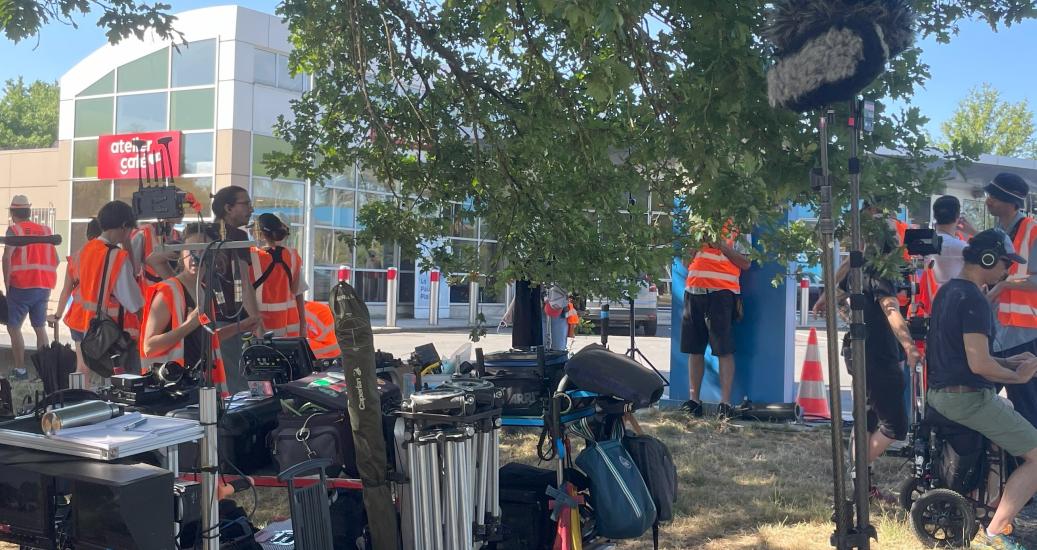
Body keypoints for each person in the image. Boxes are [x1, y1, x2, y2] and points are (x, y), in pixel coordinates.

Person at [925, 228, 1037, 550]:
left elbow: (967, 355)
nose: (1007, 271)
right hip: (966, 399)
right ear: (988, 259)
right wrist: (1021, 376)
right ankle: (997, 531)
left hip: (947, 393)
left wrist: (1014, 360)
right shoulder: (974, 299)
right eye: (1005, 263)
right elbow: (980, 365)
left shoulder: (949, 291)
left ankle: (993, 509)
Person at [815, 215, 921, 498]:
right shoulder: (878, 272)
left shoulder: (857, 270)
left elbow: (838, 291)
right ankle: (857, 472)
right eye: (896, 239)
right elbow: (890, 309)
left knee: (866, 419)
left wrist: (832, 299)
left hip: (858, 351)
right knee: (895, 425)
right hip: (876, 354)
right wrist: (909, 345)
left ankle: (861, 484)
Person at [140, 223, 258, 393]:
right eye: (191, 250)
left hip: (194, 384)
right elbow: (149, 346)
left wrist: (241, 326)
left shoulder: (203, 290)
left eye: (203, 251)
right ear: (182, 254)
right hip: (169, 387)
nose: (197, 257)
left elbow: (205, 340)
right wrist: (189, 325)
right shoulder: (169, 291)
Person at [62, 201, 144, 388]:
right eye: (130, 229)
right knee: (122, 392)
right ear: (124, 226)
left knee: (93, 388)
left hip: (86, 331)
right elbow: (134, 303)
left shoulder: (84, 251)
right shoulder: (116, 257)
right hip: (113, 337)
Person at [981, 172, 1037, 427]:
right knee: (977, 400)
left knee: (1027, 409)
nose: (988, 200)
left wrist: (1002, 286)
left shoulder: (1032, 232)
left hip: (1024, 337)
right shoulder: (996, 233)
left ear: (1010, 201)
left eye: (994, 196)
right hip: (994, 332)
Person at [680, 223, 751, 418]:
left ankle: (725, 403)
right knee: (694, 349)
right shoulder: (697, 225)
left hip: (722, 293)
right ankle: (694, 401)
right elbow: (686, 262)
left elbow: (746, 263)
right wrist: (695, 243)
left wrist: (722, 246)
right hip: (694, 291)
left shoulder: (738, 226)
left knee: (724, 349)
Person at [210, 186, 262, 394]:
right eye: (245, 204)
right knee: (236, 384)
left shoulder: (203, 233)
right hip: (230, 320)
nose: (250, 209)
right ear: (228, 208)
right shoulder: (237, 237)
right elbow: (244, 282)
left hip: (208, 320)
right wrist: (257, 323)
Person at [2, 196, 58, 380]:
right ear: (29, 211)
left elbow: (6, 258)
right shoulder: (46, 230)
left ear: (12, 213)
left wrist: (7, 284)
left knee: (13, 327)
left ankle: (20, 371)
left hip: (21, 286)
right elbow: (56, 259)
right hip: (44, 287)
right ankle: (44, 372)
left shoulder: (14, 230)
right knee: (40, 327)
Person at [48, 218, 102, 372]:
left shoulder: (77, 257)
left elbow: (66, 290)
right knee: (112, 366)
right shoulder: (113, 254)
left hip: (80, 317)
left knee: (82, 365)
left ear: (87, 234)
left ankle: (83, 395)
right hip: (106, 319)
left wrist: (58, 315)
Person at [249, 213, 306, 337]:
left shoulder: (251, 256)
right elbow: (297, 292)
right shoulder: (292, 256)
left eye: (252, 230)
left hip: (261, 328)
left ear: (259, 233)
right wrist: (303, 326)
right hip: (290, 328)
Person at [916, 195, 968, 317]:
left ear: (935, 216)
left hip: (934, 303)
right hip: (957, 304)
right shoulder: (959, 246)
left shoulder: (926, 242)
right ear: (957, 217)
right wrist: (972, 232)